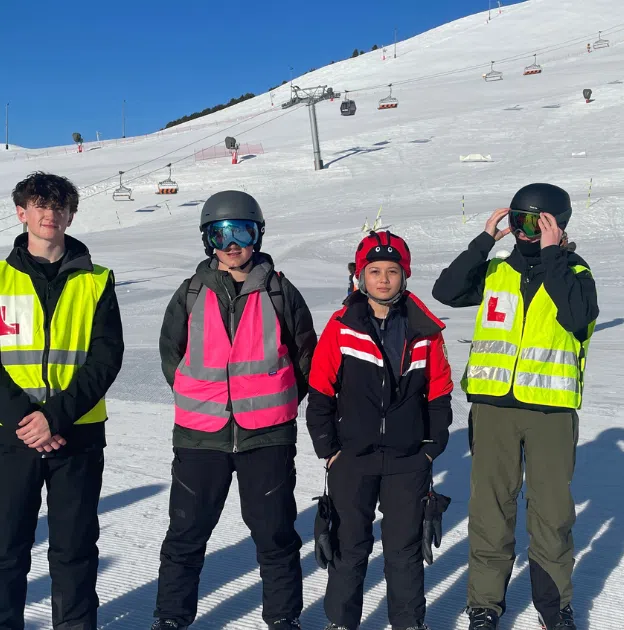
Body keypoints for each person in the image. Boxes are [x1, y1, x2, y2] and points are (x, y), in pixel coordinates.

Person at [432, 184, 599, 630]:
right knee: (491, 509)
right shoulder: (495, 272)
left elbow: (577, 316)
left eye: (538, 224)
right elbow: (446, 291)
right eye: (520, 222)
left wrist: (552, 255)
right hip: (493, 411)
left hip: (551, 412)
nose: (527, 233)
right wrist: (484, 240)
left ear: (559, 226)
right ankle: (485, 605)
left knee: (551, 512)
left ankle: (553, 607)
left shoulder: (576, 273)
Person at [153, 191, 317, 630]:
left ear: (257, 234)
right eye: (219, 233)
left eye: (240, 231)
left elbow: (305, 357)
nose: (231, 244)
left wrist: (274, 400)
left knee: (275, 535)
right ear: (207, 239)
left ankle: (283, 618)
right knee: (186, 535)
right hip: (199, 434)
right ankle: (171, 618)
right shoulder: (190, 292)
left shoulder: (282, 291)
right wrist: (202, 395)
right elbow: (173, 354)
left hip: (266, 435)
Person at [307, 230, 454, 630]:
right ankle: (341, 622)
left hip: (408, 460)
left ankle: (408, 623)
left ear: (404, 275)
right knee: (348, 547)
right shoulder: (341, 327)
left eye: (392, 270)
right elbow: (320, 393)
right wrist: (329, 449)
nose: (384, 279)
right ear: (360, 276)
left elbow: (440, 392)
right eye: (374, 271)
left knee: (404, 550)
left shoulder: (426, 330)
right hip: (352, 459)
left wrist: (431, 446)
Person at [0, 172, 124, 630]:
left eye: (58, 207)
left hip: (77, 434)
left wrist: (54, 417)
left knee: (73, 549)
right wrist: (25, 419)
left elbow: (106, 357)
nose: (49, 214)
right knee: (6, 549)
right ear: (21, 213)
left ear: (71, 214)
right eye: (39, 205)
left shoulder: (96, 280)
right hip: (11, 438)